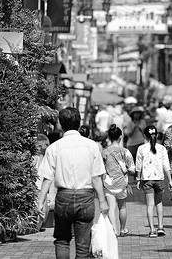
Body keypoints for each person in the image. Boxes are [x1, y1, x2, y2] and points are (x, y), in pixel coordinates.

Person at [37, 107, 109, 259]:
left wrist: (40, 201)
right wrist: (103, 201)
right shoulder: (92, 146)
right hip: (86, 197)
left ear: (61, 125)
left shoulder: (54, 147)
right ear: (79, 123)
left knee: (62, 240)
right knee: (83, 246)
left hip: (63, 197)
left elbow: (47, 178)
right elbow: (96, 177)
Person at [135, 125, 172, 238]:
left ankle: (152, 230)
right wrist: (170, 180)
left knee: (150, 205)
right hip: (159, 179)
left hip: (147, 179)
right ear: (156, 135)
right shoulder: (161, 148)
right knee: (159, 203)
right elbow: (166, 165)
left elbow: (138, 166)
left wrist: (138, 179)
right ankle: (160, 227)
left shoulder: (141, 148)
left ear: (144, 136)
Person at [101, 124, 135, 237]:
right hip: (122, 183)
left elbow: (101, 168)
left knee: (111, 208)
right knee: (122, 206)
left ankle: (113, 230)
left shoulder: (104, 152)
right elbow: (132, 169)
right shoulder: (125, 151)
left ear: (109, 137)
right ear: (120, 137)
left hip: (108, 183)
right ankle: (123, 229)